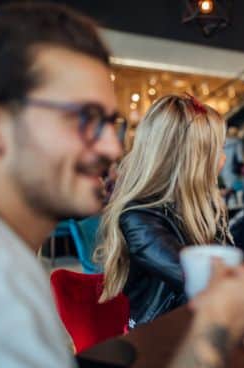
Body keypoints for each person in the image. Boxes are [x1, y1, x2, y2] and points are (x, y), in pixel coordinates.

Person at [0, 4, 244, 368]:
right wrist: (215, 328)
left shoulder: (6, 263)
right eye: (84, 118)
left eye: (110, 123)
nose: (113, 148)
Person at [95, 94, 233, 327]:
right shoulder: (138, 218)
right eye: (217, 149)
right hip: (157, 341)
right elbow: (203, 278)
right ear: (194, 158)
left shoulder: (202, 209)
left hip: (200, 326)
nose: (223, 159)